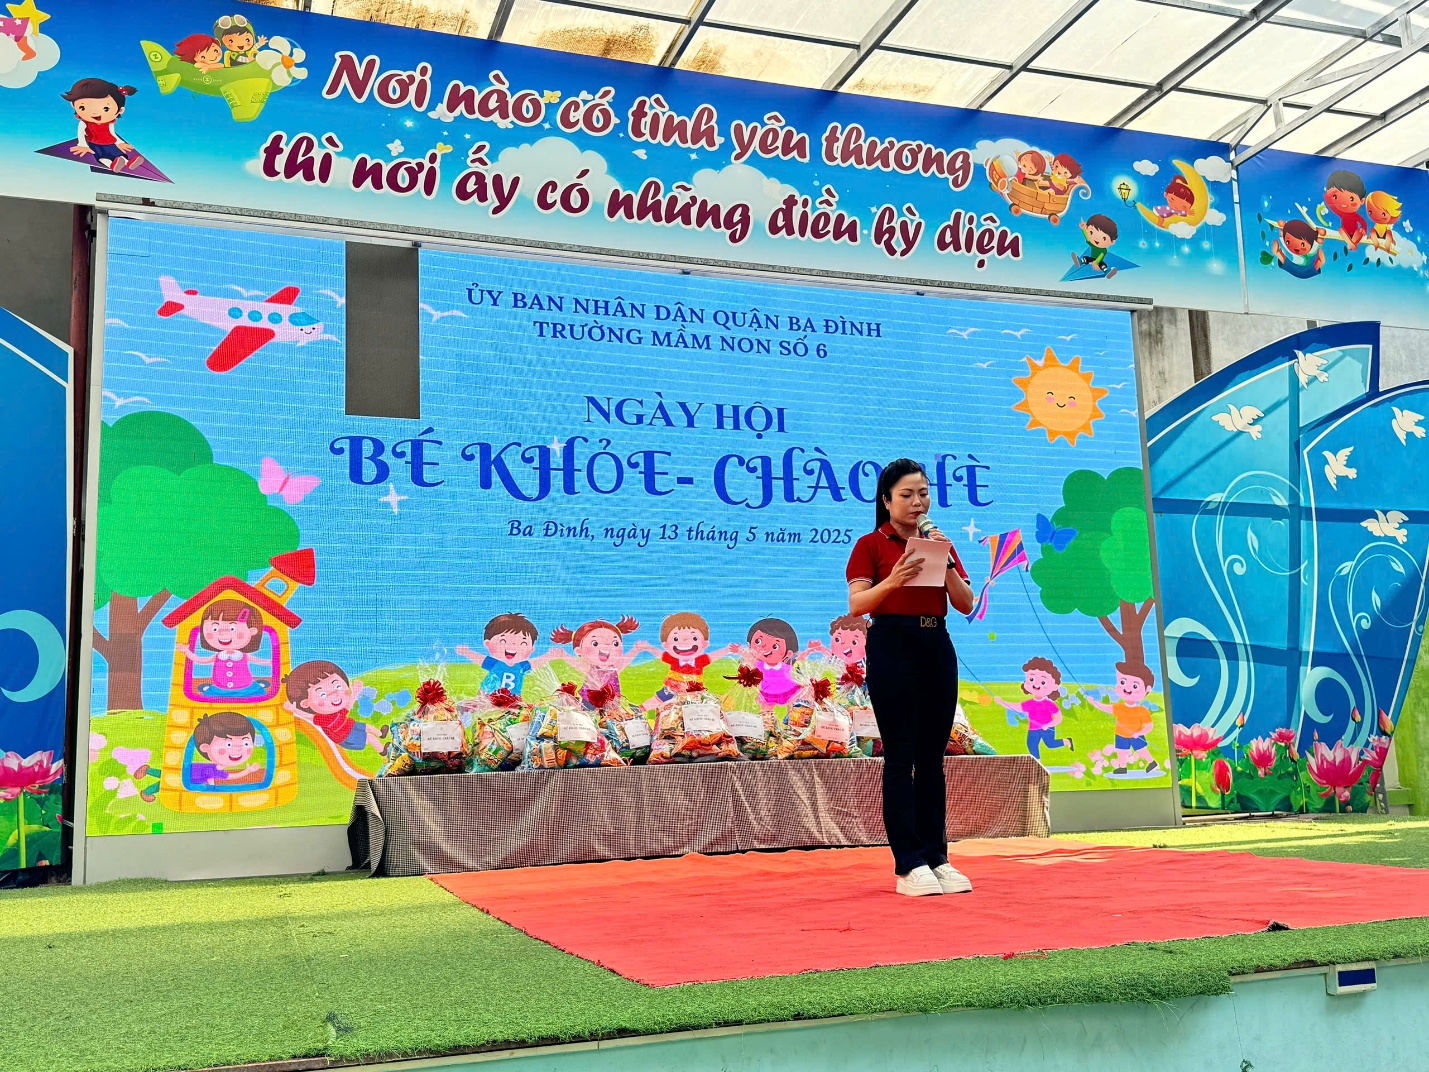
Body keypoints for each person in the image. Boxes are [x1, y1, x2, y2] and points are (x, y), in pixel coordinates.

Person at [845, 458, 977, 897]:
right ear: (886, 500)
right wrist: (894, 580)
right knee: (901, 757)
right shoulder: (871, 544)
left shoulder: (939, 544)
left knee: (932, 758)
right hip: (893, 645)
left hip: (936, 643)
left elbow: (966, 603)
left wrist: (948, 560)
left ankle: (938, 857)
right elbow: (858, 604)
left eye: (923, 493)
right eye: (906, 494)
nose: (917, 502)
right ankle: (909, 864)